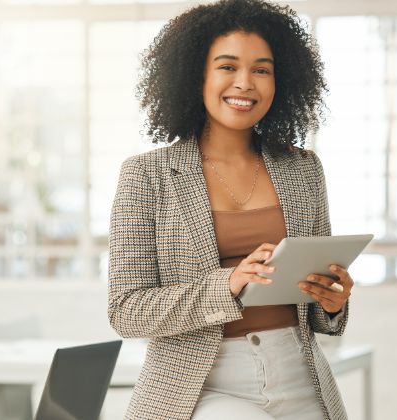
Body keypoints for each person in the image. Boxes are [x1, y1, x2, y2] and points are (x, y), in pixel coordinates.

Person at [107, 0, 354, 419]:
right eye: (227, 67)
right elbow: (126, 310)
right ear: (195, 75)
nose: (245, 83)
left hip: (299, 375)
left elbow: (316, 311)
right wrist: (230, 283)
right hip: (200, 386)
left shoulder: (304, 168)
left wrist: (333, 302)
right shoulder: (146, 175)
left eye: (261, 69)